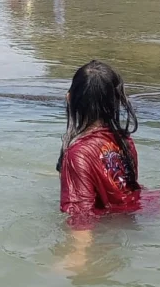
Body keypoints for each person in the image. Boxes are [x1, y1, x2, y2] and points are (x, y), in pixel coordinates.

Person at [56, 61, 143, 267]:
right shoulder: (124, 140)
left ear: (71, 99)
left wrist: (78, 254)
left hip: (104, 232)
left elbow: (80, 214)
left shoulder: (77, 155)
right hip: (134, 216)